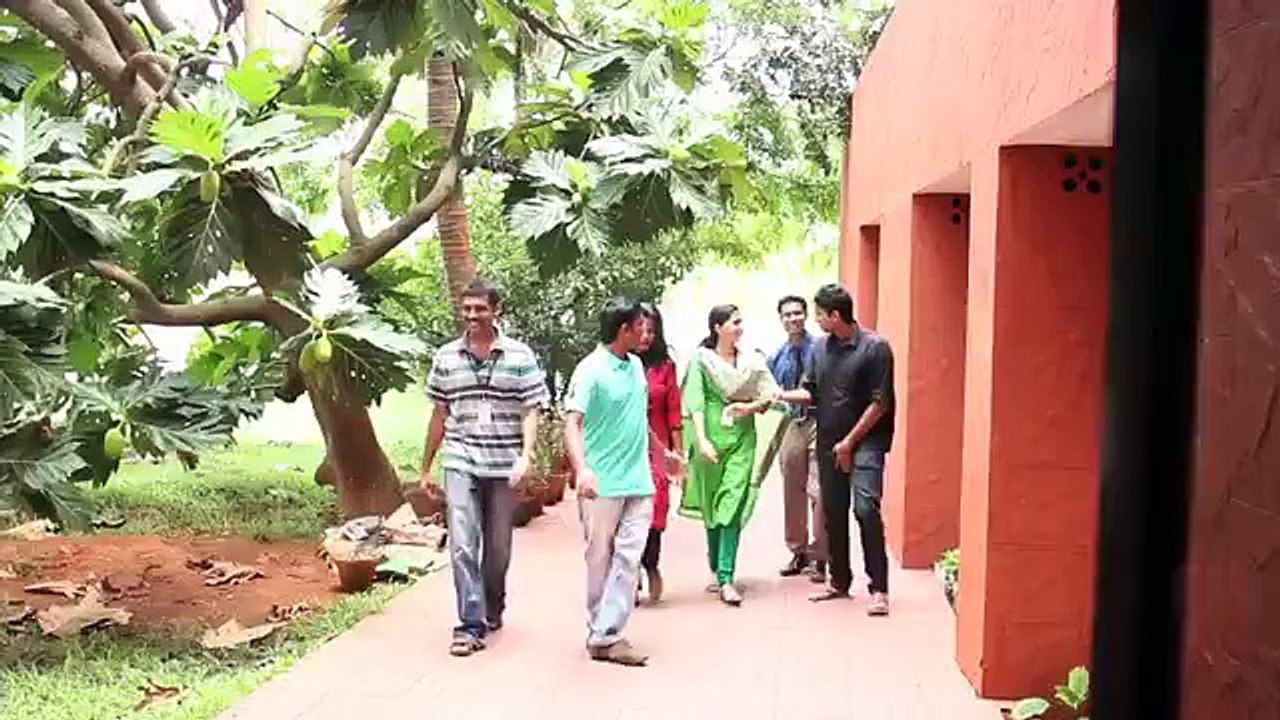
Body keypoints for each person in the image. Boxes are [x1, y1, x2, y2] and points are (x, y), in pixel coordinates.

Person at [419, 278, 550, 657]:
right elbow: (439, 413)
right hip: (461, 458)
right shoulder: (446, 357)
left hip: (503, 462)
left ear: (496, 311)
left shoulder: (520, 356)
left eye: (480, 309)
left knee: (498, 547)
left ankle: (493, 604)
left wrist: (526, 455)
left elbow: (530, 409)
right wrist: (426, 468)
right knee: (462, 542)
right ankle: (469, 625)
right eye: (466, 309)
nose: (472, 316)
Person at [769, 283, 896, 616]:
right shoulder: (821, 349)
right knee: (833, 512)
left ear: (835, 315)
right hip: (830, 440)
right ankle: (839, 581)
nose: (817, 321)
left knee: (866, 508)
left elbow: (880, 403)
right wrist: (777, 396)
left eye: (821, 315)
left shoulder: (875, 348)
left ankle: (879, 588)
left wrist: (850, 442)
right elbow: (810, 392)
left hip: (865, 441)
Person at [564, 298, 679, 666]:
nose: (645, 333)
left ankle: (608, 634)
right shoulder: (590, 370)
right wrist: (582, 469)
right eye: (638, 327)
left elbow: (637, 421)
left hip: (639, 480)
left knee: (629, 558)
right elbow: (572, 423)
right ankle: (600, 629)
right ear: (623, 330)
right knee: (599, 557)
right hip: (602, 483)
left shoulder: (634, 367)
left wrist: (664, 454)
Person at [680, 304, 780, 606]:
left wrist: (747, 408)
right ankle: (716, 564)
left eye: (740, 322)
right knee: (713, 505)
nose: (740, 327)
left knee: (732, 504)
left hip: (742, 437)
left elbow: (769, 396)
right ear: (717, 327)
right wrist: (702, 441)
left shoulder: (752, 363)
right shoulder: (701, 360)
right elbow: (694, 401)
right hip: (709, 437)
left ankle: (726, 576)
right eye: (734, 322)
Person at [766, 295, 828, 584]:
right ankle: (798, 550)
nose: (793, 318)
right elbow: (766, 388)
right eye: (787, 314)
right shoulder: (777, 356)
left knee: (819, 489)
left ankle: (821, 556)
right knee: (792, 487)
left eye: (798, 313)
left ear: (806, 316)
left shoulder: (820, 349)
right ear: (781, 319)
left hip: (820, 420)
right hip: (793, 421)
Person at [635, 304, 683, 605]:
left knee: (655, 509)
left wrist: (676, 451)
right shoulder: (618, 362)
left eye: (652, 331)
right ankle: (630, 571)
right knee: (626, 508)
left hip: (658, 447)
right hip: (625, 448)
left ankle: (651, 563)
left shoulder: (664, 366)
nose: (645, 336)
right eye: (640, 330)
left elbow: (674, 409)